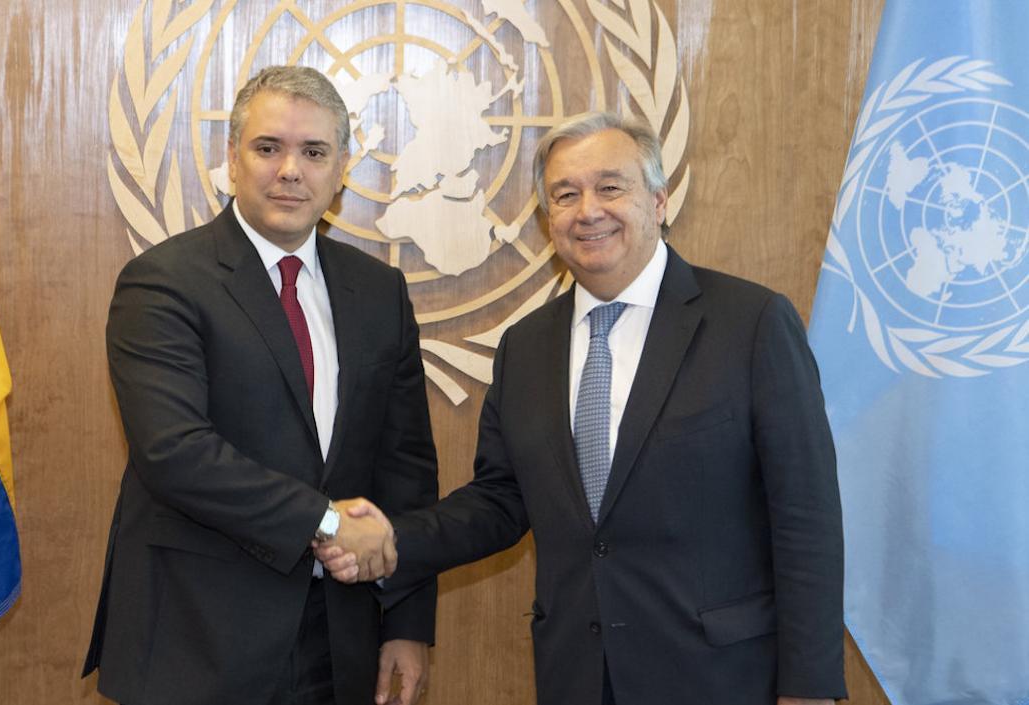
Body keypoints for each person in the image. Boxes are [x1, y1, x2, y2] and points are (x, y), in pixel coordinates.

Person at [318, 111, 846, 705]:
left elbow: (806, 518)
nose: (588, 209)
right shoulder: (527, 346)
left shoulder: (750, 324)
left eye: (610, 187)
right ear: (550, 222)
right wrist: (394, 537)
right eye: (565, 195)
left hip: (724, 677)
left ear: (658, 200)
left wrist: (810, 686)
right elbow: (500, 500)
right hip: (577, 674)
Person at [82, 65, 438, 705]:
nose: (290, 170)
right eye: (268, 147)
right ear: (232, 159)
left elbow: (404, 465)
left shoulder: (379, 292)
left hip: (341, 638)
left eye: (314, 151)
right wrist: (327, 521)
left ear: (343, 168)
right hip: (199, 641)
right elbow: (175, 453)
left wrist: (407, 622)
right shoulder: (163, 282)